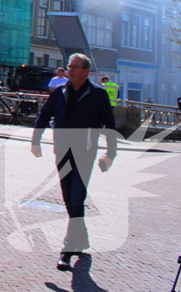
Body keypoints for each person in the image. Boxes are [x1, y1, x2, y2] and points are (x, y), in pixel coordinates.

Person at [31, 53, 117, 271]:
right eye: (69, 66)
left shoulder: (97, 94)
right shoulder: (59, 92)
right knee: (69, 199)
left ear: (86, 72)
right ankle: (83, 238)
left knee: (77, 197)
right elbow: (44, 115)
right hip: (62, 151)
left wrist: (110, 155)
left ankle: (67, 250)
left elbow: (109, 125)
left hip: (84, 153)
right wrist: (35, 141)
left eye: (75, 67)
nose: (70, 70)